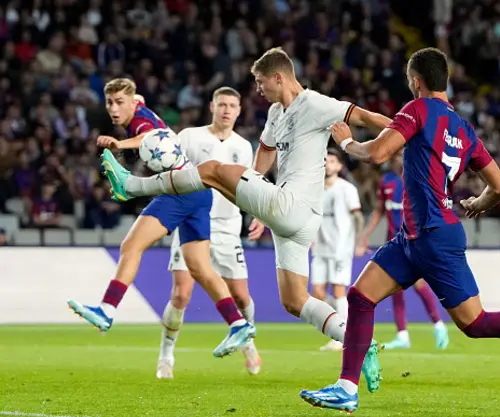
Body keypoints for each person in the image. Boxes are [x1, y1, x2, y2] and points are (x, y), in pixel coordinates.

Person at [299, 47, 500, 413]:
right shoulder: (463, 127)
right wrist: (477, 204)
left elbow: (376, 154)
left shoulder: (418, 109)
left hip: (435, 236)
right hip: (412, 236)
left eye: (410, 79)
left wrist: (344, 142)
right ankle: (347, 387)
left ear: (415, 81)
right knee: (360, 298)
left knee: (475, 322)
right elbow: (499, 187)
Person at [99, 48, 391, 393]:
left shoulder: (316, 104)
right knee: (295, 301)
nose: (258, 88)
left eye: (260, 81)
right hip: (293, 218)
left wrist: (412, 134)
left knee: (210, 170)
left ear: (278, 77)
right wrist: (250, 193)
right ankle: (359, 343)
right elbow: (267, 150)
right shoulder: (275, 111)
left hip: (293, 206)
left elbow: (373, 119)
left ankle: (133, 186)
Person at [67, 79, 255, 359]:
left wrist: (120, 143)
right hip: (199, 193)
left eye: (120, 103)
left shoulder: (140, 121)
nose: (114, 109)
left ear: (132, 103)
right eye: (110, 103)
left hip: (178, 191)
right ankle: (238, 323)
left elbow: (148, 136)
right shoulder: (137, 105)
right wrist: (130, 97)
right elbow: (138, 99)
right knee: (201, 269)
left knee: (131, 247)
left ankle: (107, 309)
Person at [158, 87, 262, 379]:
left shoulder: (243, 146)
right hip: (192, 220)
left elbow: (249, 187)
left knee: (241, 295)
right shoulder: (190, 136)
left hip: (228, 226)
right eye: (222, 105)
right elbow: (170, 168)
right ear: (211, 107)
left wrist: (260, 217)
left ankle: (248, 343)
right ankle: (166, 355)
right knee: (181, 294)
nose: (227, 110)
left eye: (232, 105)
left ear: (240, 111)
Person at [359, 150, 449, 350]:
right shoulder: (387, 181)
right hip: (393, 243)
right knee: (395, 289)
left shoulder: (418, 179)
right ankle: (403, 335)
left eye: (403, 155)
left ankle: (438, 325)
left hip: (413, 242)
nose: (400, 159)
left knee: (418, 285)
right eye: (397, 156)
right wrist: (365, 235)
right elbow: (379, 210)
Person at [310, 148, 364, 352]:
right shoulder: (315, 189)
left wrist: (359, 241)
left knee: (339, 290)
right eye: (325, 160)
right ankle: (346, 322)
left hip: (341, 247)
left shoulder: (347, 189)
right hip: (321, 247)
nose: (327, 164)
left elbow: (358, 216)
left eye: (332, 161)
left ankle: (342, 337)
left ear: (339, 166)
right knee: (316, 293)